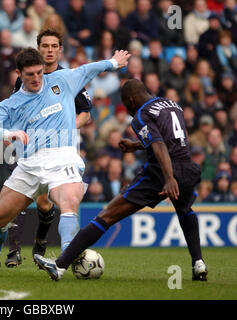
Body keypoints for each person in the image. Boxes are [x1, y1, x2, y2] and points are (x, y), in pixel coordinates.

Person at [34, 79, 208, 282]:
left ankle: (59, 266)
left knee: (107, 215)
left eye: (126, 105)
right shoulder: (172, 105)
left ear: (131, 99)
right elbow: (176, 138)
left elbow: (160, 145)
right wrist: (136, 145)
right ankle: (198, 264)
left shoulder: (141, 115)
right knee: (185, 211)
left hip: (161, 173)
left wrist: (169, 178)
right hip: (187, 167)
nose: (127, 111)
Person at [0, 47, 130, 273]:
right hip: (30, 162)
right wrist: (9, 134)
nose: (37, 78)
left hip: (63, 156)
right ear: (19, 74)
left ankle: (63, 262)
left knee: (69, 202)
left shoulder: (62, 80)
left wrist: (113, 62)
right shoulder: (13, 103)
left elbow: (88, 69)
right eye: (30, 74)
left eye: (39, 72)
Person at [5, 29, 93, 267]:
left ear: (60, 50)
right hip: (29, 146)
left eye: (54, 46)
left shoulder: (68, 77)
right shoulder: (24, 77)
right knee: (21, 195)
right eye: (45, 46)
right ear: (38, 48)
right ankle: (13, 251)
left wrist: (65, 128)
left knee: (44, 203)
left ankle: (41, 242)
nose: (50, 50)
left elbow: (85, 113)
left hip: (59, 150)